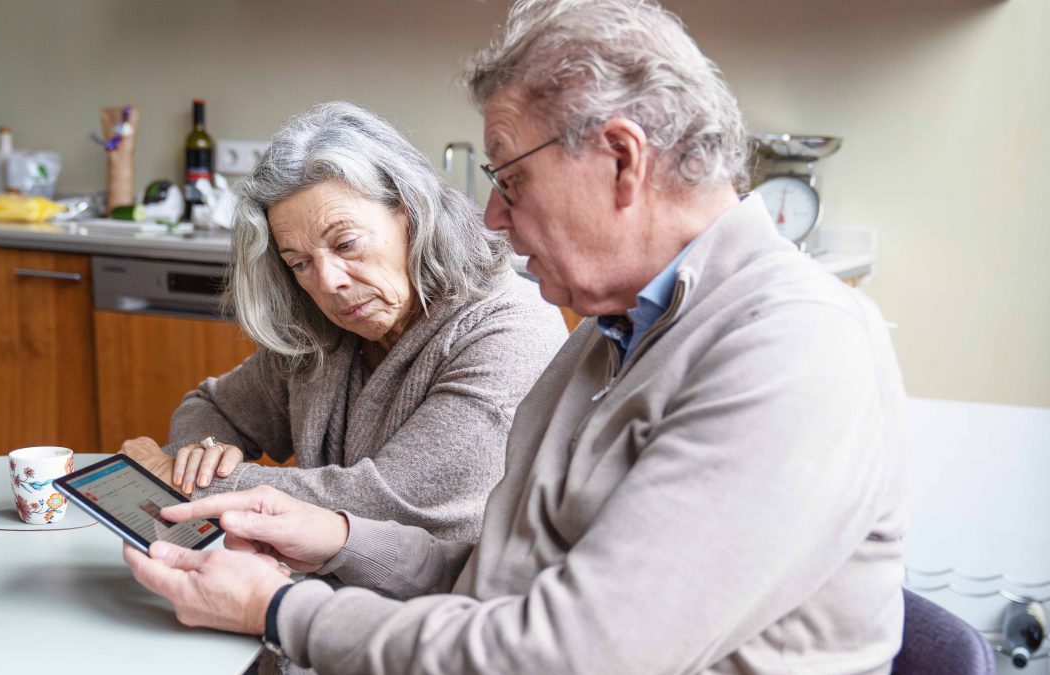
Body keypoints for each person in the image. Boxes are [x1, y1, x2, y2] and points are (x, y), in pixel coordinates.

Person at [123, 1, 909, 673]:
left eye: (509, 179)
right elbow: (492, 577)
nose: (492, 217)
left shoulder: (794, 346)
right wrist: (337, 538)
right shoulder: (611, 337)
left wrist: (284, 610)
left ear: (621, 160)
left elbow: (567, 655)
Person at [121, 100, 567, 542]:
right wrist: (202, 455)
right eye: (299, 264)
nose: (328, 282)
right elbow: (211, 408)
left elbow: (389, 502)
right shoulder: (330, 332)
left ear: (410, 213)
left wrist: (180, 480)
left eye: (346, 244)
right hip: (332, 590)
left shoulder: (512, 328)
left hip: (458, 605)